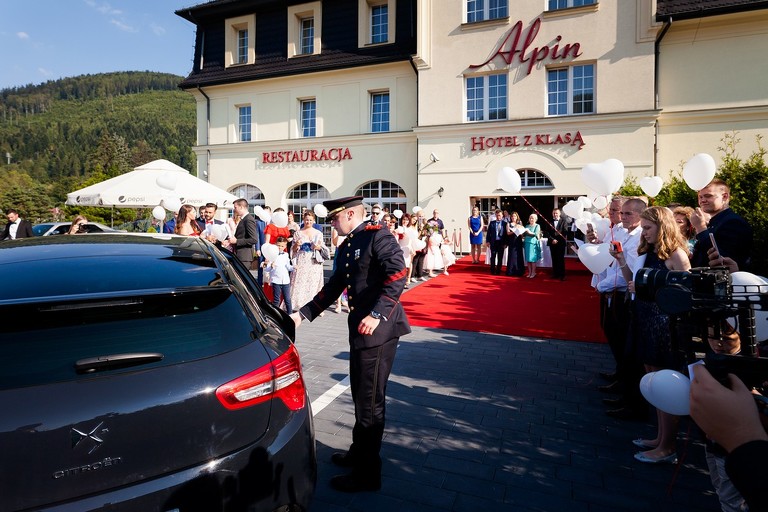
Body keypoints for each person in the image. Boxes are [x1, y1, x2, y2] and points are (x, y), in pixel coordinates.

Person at [290, 195, 410, 493]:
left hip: (377, 331)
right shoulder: (348, 245)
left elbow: (398, 274)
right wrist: (301, 315)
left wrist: (377, 314)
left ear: (352, 215)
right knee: (361, 396)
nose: (331, 222)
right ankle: (359, 452)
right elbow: (334, 286)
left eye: (335, 218)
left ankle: (368, 475)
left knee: (370, 403)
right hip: (361, 331)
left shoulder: (377, 236)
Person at [612, 206, 691, 464]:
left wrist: (651, 289)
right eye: (643, 228)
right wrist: (622, 261)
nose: (643, 233)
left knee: (664, 382)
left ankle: (668, 446)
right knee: (653, 380)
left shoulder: (677, 255)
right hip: (644, 318)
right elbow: (632, 282)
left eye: (647, 228)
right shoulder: (648, 251)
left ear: (663, 226)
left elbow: (684, 295)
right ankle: (660, 437)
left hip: (663, 325)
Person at [595, 197, 649, 421]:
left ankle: (631, 398)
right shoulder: (623, 232)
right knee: (617, 342)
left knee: (626, 347)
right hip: (613, 290)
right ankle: (623, 384)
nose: (621, 217)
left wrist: (604, 285)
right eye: (620, 213)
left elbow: (630, 272)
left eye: (627, 214)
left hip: (623, 294)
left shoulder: (639, 238)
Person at [689, 364, 768, 512]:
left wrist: (742, 438)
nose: (718, 343)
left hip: (737, 453)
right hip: (718, 447)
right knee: (721, 489)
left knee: (730, 500)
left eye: (726, 338)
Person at [689, 179, 753, 270]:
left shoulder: (733, 222)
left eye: (708, 196)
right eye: (700, 197)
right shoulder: (715, 222)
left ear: (724, 197)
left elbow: (721, 260)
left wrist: (700, 228)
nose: (702, 200)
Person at [290, 211, 327, 314]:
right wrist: (297, 244)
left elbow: (322, 248)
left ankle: (315, 306)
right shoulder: (298, 233)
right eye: (306, 220)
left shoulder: (318, 233)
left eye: (310, 220)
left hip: (314, 260)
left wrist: (317, 247)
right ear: (303, 220)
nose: (308, 222)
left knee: (313, 283)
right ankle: (298, 303)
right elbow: (293, 249)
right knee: (300, 280)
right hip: (302, 258)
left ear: (314, 220)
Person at [265, 236, 293, 314]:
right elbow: (267, 269)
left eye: (282, 246)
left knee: (287, 299)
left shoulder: (286, 255)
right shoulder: (272, 255)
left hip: (285, 280)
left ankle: (290, 314)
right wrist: (270, 266)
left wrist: (294, 267)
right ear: (275, 244)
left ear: (285, 246)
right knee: (276, 299)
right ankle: (276, 314)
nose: (280, 247)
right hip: (276, 280)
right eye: (278, 245)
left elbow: (288, 266)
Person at [228, 198, 259, 268]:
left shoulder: (248, 219)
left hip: (244, 257)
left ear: (241, 207)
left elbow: (254, 239)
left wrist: (237, 241)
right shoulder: (244, 219)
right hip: (240, 255)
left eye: (235, 207)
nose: (234, 210)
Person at [545, 208, 568, 281]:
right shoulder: (549, 222)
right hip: (552, 243)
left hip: (560, 243)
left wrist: (557, 239)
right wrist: (552, 239)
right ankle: (555, 274)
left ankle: (562, 275)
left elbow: (565, 232)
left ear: (559, 214)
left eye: (556, 213)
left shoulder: (564, 221)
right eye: (554, 213)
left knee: (560, 259)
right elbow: (547, 232)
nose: (555, 214)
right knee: (554, 258)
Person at [331, 225, 349, 313]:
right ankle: (338, 303)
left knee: (348, 278)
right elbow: (334, 243)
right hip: (339, 251)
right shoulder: (336, 229)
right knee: (338, 277)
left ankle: (346, 300)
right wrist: (339, 234)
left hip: (349, 252)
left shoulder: (350, 229)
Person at [486, 209, 507, 276]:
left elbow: (506, 234)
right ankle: (492, 270)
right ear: (495, 215)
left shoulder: (505, 224)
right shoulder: (492, 223)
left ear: (502, 216)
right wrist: (487, 241)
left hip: (501, 243)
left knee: (500, 257)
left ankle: (498, 271)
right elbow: (488, 233)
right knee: (493, 257)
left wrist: (506, 243)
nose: (498, 217)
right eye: (497, 215)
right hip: (493, 242)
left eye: (500, 215)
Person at [505, 211, 525, 277]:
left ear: (517, 217)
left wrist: (522, 234)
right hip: (512, 241)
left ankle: (519, 271)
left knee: (519, 255)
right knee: (512, 256)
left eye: (515, 216)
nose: (513, 217)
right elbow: (508, 233)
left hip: (518, 241)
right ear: (511, 217)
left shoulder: (520, 223)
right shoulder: (508, 223)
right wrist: (514, 231)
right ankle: (511, 271)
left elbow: (522, 232)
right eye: (512, 216)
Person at [522, 213, 542, 278]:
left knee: (532, 259)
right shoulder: (527, 226)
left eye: (532, 218)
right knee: (528, 259)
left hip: (533, 243)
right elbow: (524, 234)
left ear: (535, 219)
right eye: (530, 218)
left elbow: (536, 234)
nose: (531, 219)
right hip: (526, 243)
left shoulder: (537, 226)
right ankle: (529, 272)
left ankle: (533, 272)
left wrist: (529, 232)